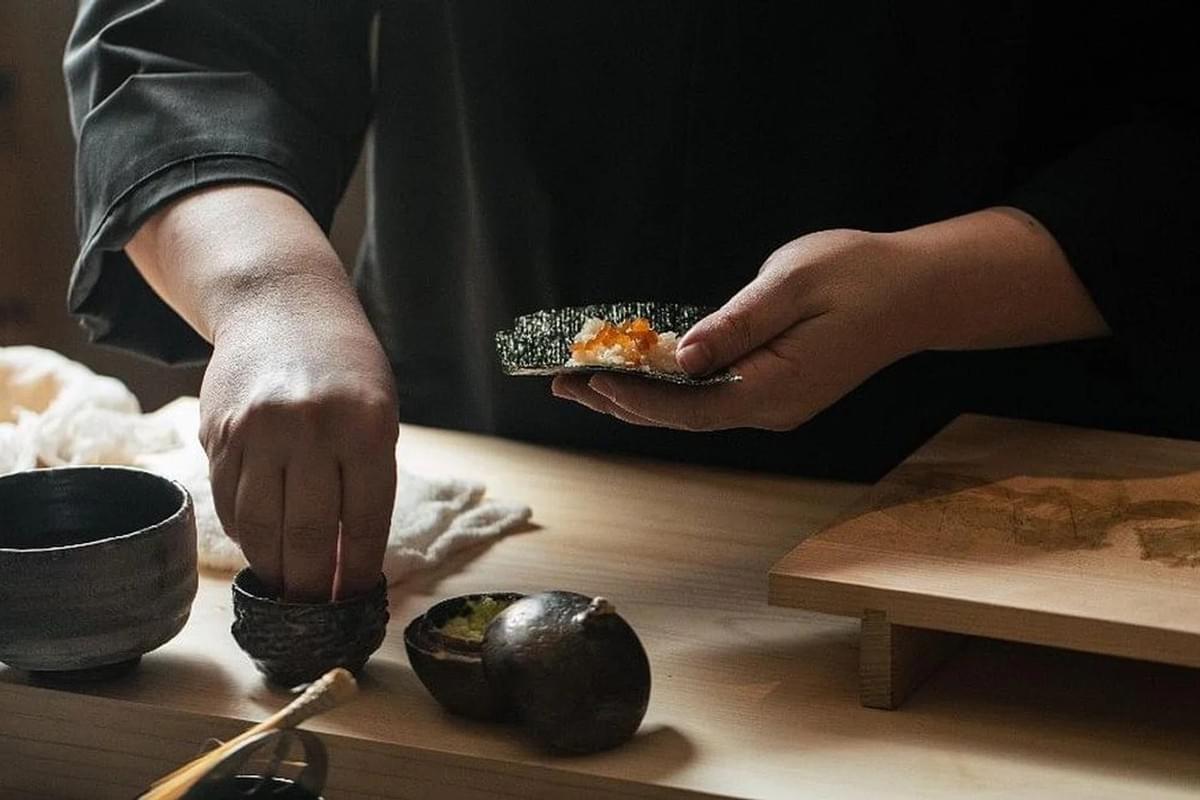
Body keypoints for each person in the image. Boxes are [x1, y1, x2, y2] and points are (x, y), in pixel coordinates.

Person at [65, 2, 1199, 602]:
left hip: (1020, 511)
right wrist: (269, 292)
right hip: (486, 480)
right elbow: (183, 37)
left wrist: (934, 286)